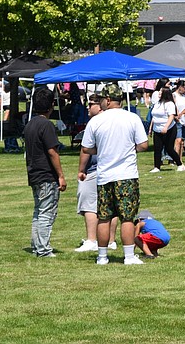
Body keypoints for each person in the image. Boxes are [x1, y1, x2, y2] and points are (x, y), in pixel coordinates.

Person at [81, 82, 149, 265]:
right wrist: (128, 149)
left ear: (108, 100)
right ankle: (128, 256)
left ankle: (102, 256)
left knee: (104, 216)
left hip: (104, 176)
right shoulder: (132, 118)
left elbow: (86, 148)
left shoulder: (95, 121)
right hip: (126, 175)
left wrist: (102, 150)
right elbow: (143, 145)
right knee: (127, 217)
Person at [24, 88, 65, 257]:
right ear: (52, 105)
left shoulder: (30, 124)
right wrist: (61, 175)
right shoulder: (46, 125)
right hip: (46, 175)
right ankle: (43, 249)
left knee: (38, 212)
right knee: (47, 213)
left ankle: (37, 245)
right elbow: (52, 152)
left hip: (34, 173)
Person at [75, 95, 119, 253]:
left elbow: (85, 149)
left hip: (95, 169)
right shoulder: (116, 121)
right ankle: (111, 240)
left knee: (89, 206)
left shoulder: (95, 123)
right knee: (112, 206)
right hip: (115, 168)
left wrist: (81, 170)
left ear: (100, 106)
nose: (88, 107)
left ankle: (92, 239)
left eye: (91, 104)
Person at [148, 87, 183, 173]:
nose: (158, 93)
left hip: (169, 129)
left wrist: (166, 127)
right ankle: (157, 167)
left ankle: (180, 164)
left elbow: (171, 116)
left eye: (160, 92)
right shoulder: (157, 103)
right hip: (157, 129)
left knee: (169, 148)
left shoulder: (170, 104)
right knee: (157, 148)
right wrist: (150, 128)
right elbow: (154, 116)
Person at [172, 80, 185, 158]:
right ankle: (175, 158)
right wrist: (176, 115)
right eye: (184, 87)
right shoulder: (174, 95)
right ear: (180, 87)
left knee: (182, 141)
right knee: (178, 140)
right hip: (178, 120)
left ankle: (180, 158)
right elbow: (173, 106)